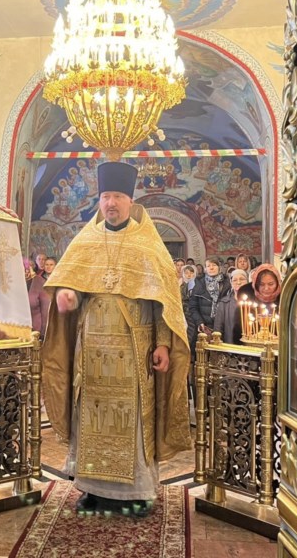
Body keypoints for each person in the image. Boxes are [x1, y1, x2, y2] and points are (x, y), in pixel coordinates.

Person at [42, 161, 190, 517]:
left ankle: (136, 492)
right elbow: (71, 289)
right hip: (91, 351)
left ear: (130, 201)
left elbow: (163, 302)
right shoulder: (86, 241)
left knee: (131, 419)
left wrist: (163, 343)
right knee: (90, 417)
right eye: (106, 196)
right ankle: (92, 489)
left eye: (118, 196)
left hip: (133, 349)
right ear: (100, 200)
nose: (111, 202)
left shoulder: (147, 244)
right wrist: (67, 296)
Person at [187, 257, 230, 348]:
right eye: (208, 266)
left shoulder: (227, 283)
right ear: (205, 269)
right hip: (205, 326)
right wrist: (199, 321)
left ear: (219, 267)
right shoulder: (199, 284)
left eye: (214, 265)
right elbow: (193, 306)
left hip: (223, 326)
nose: (211, 268)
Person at [213, 269, 249, 344]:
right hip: (230, 346)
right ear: (231, 282)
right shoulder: (224, 303)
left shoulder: (253, 301)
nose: (238, 282)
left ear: (247, 281)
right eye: (235, 280)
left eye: (242, 279)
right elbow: (218, 328)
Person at [29, 256, 56, 337]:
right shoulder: (38, 280)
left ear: (55, 266)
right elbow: (32, 299)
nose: (48, 267)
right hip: (41, 314)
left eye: (51, 265)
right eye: (46, 264)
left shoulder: (59, 281)